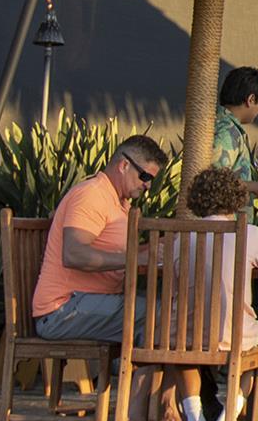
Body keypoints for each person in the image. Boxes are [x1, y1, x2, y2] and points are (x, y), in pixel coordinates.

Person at [170, 166, 258, 421]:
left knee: (186, 347)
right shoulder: (249, 233)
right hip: (234, 335)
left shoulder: (180, 235)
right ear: (237, 199)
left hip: (185, 334)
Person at [33, 135, 167, 342]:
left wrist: (156, 247)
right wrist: (134, 258)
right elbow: (74, 255)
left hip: (86, 303)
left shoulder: (116, 201)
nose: (148, 186)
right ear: (124, 165)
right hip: (62, 310)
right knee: (167, 315)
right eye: (145, 177)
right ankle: (137, 373)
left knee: (170, 309)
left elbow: (121, 254)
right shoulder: (92, 194)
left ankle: (137, 371)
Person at [211, 66, 258, 203]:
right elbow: (214, 182)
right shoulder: (227, 132)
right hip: (225, 222)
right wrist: (255, 186)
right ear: (251, 99)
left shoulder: (225, 126)